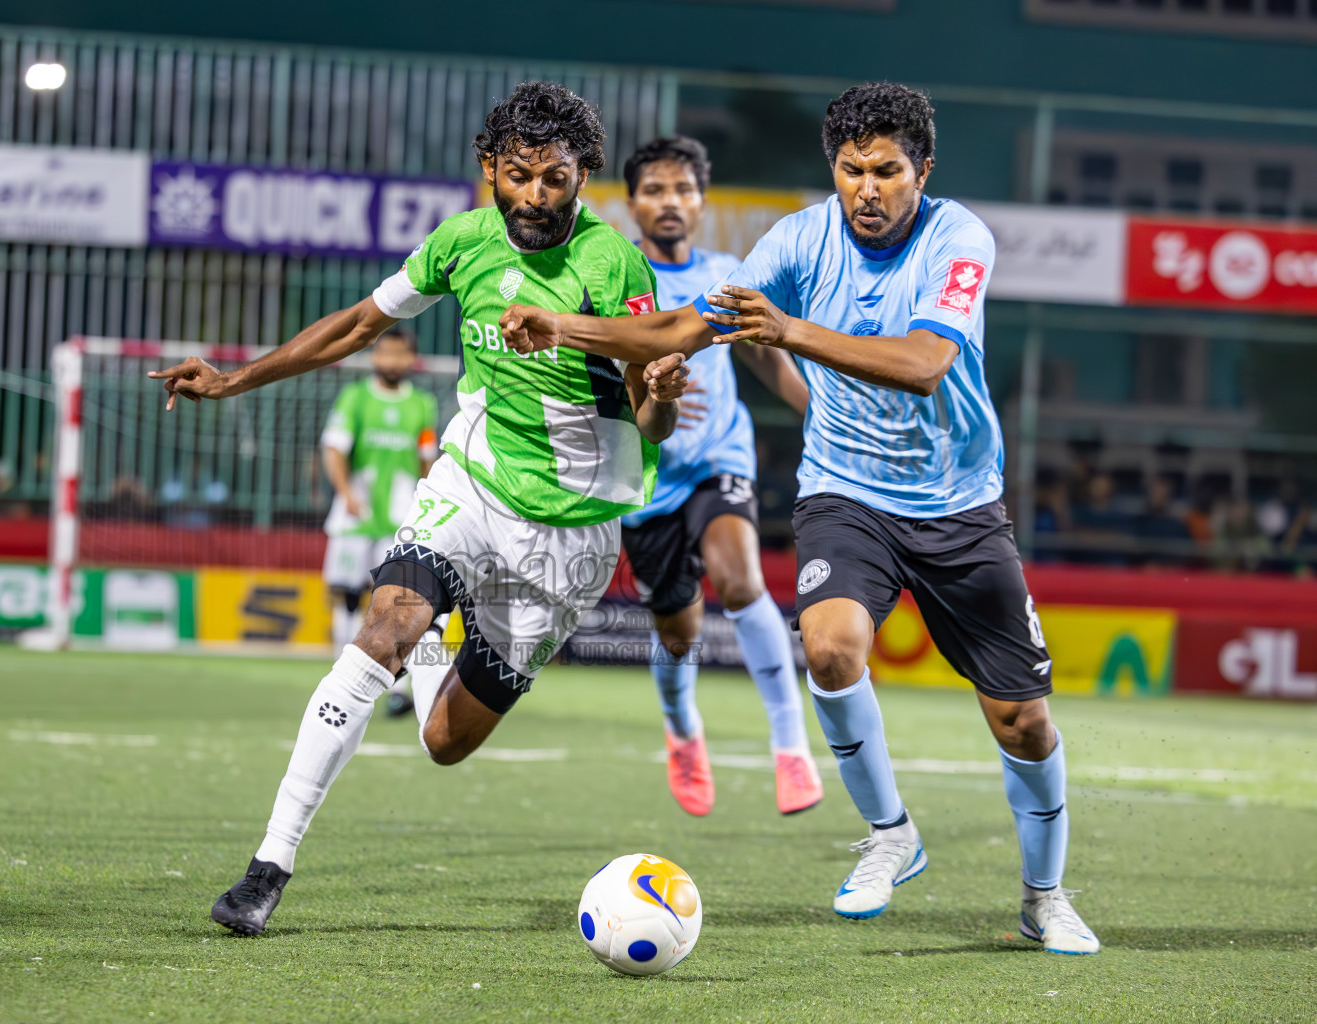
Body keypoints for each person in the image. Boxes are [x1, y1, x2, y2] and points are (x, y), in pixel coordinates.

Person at [500, 82, 1099, 955]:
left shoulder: (959, 238)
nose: (867, 189)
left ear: (923, 170)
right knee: (830, 647)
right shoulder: (795, 241)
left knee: (1024, 723)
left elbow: (925, 364)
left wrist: (789, 332)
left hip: (960, 506)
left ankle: (1044, 898)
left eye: (887, 171)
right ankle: (891, 835)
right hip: (845, 492)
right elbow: (679, 328)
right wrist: (562, 326)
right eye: (852, 171)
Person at [149, 81, 690, 937]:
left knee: (444, 742)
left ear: (583, 175)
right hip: (471, 483)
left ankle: (435, 645)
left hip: (573, 539)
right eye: (518, 175)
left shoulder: (613, 264)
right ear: (489, 167)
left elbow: (651, 409)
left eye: (555, 178)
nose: (535, 197)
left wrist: (660, 394)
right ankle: (267, 867)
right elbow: (358, 325)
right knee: (383, 630)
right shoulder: (461, 242)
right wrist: (233, 379)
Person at [618, 136, 824, 817]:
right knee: (678, 632)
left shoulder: (726, 276)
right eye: (654, 190)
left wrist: (817, 413)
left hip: (718, 458)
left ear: (702, 203)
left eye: (683, 190)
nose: (669, 202)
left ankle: (791, 747)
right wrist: (648, 395)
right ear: (632, 204)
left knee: (740, 581)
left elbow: (762, 356)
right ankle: (683, 729)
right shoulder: (615, 278)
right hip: (647, 475)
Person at [319, 329, 439, 698]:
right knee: (348, 593)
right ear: (375, 355)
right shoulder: (355, 397)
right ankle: (343, 675)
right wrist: (346, 494)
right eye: (385, 352)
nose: (391, 360)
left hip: (401, 519)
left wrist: (426, 506)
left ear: (411, 359)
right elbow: (334, 449)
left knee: (401, 600)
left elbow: (427, 458)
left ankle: (397, 685)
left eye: (399, 353)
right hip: (357, 515)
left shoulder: (422, 404)